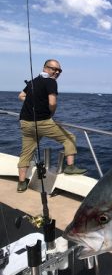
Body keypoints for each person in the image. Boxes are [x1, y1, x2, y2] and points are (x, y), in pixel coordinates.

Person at [17, 59, 86, 193]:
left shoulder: (33, 81)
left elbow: (21, 96)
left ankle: (21, 183)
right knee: (69, 138)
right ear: (45, 68)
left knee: (26, 151)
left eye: (59, 70)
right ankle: (70, 167)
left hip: (25, 122)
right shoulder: (51, 82)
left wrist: (35, 101)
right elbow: (53, 103)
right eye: (53, 69)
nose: (56, 72)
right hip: (42, 122)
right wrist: (50, 113)